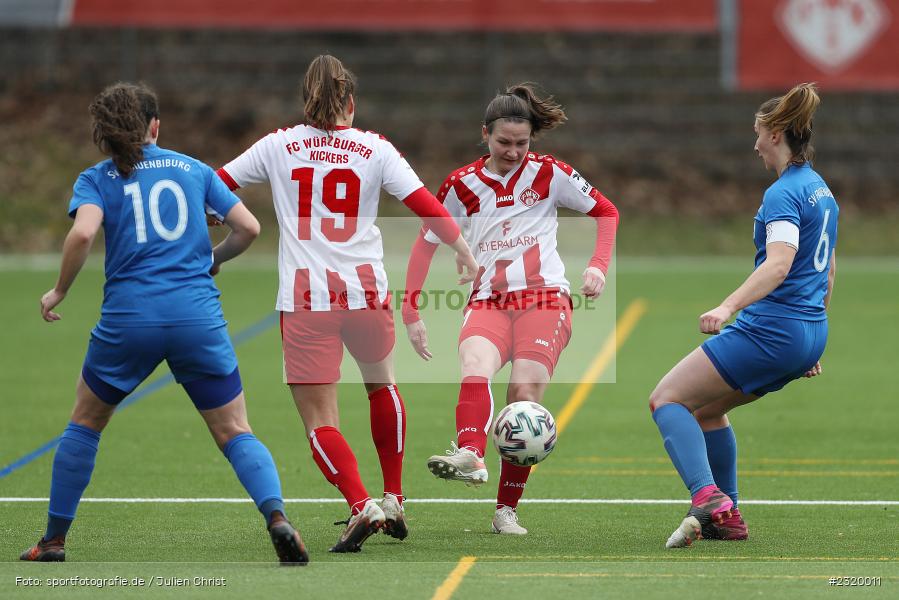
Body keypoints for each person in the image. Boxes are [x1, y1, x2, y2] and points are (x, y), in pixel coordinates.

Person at [20, 83, 308, 565]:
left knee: (86, 422)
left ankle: (53, 541)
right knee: (235, 429)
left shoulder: (96, 178)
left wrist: (60, 290)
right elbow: (249, 228)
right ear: (155, 126)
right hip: (196, 317)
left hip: (128, 321)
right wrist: (211, 261)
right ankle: (277, 517)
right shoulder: (193, 169)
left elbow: (84, 232)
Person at [216, 55, 478, 552]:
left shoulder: (278, 145)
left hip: (307, 299)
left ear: (305, 102)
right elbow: (427, 204)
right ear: (351, 104)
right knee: (382, 387)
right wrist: (462, 249)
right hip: (366, 295)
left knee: (321, 420)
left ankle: (362, 506)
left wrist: (215, 213)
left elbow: (216, 185)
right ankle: (395, 496)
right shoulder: (375, 148)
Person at [402, 83, 619, 534]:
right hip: (489, 300)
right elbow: (425, 244)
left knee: (523, 397)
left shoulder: (550, 172)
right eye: (504, 142)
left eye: (522, 143)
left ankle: (506, 510)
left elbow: (606, 211)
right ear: (485, 135)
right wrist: (411, 310)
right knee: (474, 363)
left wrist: (598, 266)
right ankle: (470, 453)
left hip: (545, 299)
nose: (514, 151)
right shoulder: (460, 185)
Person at [648, 83, 837, 548]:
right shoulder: (821, 189)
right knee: (709, 410)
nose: (754, 145)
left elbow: (779, 262)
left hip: (775, 329)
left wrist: (728, 306)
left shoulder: (783, 193)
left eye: (757, 134)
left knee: (667, 400)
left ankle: (708, 497)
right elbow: (828, 267)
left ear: (775, 134)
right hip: (809, 331)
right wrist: (811, 336)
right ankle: (726, 516)